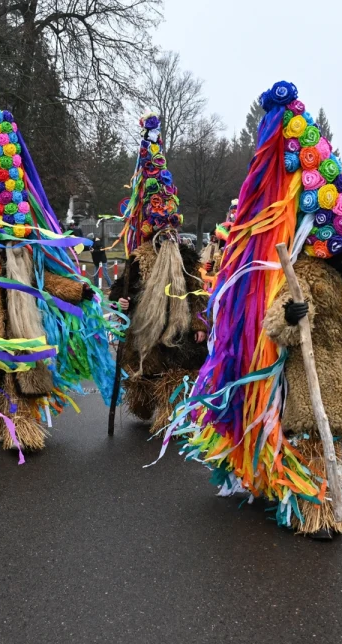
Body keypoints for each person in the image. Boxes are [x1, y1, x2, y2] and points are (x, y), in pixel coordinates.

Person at [165, 81, 342, 540]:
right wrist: (291, 317)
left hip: (340, 382)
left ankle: (321, 506)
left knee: (326, 447)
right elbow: (275, 321)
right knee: (309, 444)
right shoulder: (302, 271)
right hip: (303, 384)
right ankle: (314, 513)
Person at [0, 109, 113, 453]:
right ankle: (5, 424)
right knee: (0, 383)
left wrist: (79, 291)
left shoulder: (28, 255)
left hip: (26, 333)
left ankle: (20, 427)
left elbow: (47, 280)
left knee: (22, 384)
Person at [110, 112, 208, 432]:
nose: (165, 233)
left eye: (169, 226)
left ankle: (172, 415)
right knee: (142, 384)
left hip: (177, 334)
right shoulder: (138, 257)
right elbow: (121, 288)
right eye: (159, 227)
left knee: (175, 375)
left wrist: (199, 324)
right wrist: (120, 301)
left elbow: (197, 295)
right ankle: (145, 402)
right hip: (144, 332)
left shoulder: (185, 258)